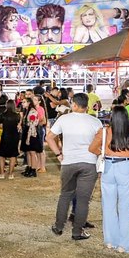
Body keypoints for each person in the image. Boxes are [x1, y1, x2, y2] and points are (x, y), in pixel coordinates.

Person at [46, 93, 103, 240]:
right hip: (89, 163)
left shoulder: (64, 119)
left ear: (74, 105)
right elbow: (100, 143)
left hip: (68, 162)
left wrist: (58, 154)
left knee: (65, 195)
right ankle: (77, 231)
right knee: (83, 199)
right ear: (87, 106)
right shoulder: (95, 121)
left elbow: (49, 137)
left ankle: (58, 227)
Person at [89, 106, 129, 253]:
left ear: (112, 117)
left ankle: (110, 241)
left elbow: (92, 149)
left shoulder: (104, 132)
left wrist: (103, 153)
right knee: (125, 207)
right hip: (125, 166)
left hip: (108, 166)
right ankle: (124, 245)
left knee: (108, 206)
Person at [0, 100, 20, 179]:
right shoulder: (17, 115)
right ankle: (11, 174)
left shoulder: (2, 115)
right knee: (13, 155)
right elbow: (18, 125)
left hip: (5, 136)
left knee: (1, 155)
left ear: (6, 105)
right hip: (15, 136)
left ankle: (2, 173)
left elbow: (0, 125)